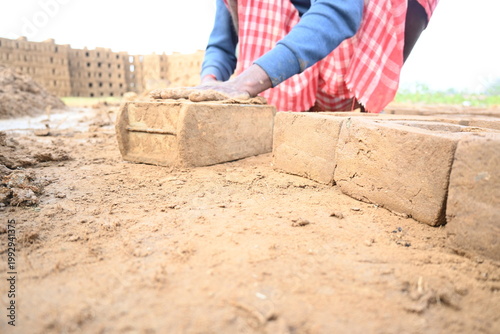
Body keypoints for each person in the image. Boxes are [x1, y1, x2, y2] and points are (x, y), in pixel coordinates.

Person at [187, 0, 438, 113]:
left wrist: (245, 82)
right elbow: (221, 44)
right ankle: (283, 111)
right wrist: (209, 81)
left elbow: (340, 11)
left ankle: (362, 111)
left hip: (342, 69)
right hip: (283, 82)